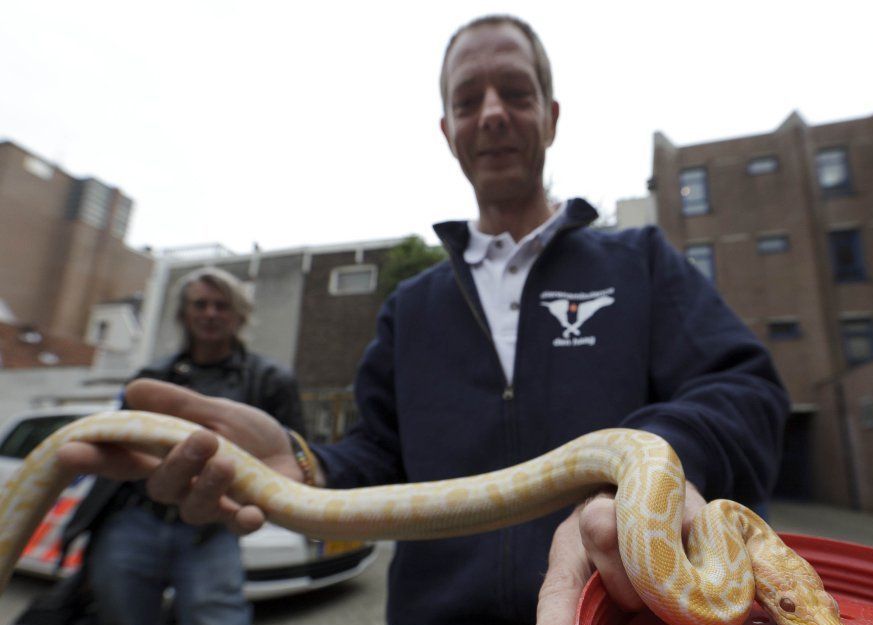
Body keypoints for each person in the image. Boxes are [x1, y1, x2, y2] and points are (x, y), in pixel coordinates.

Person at [58, 15, 789, 625]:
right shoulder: (413, 307)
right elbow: (378, 456)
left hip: (616, 609)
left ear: (552, 116)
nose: (493, 111)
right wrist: (299, 464)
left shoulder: (640, 263)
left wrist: (647, 475)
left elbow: (747, 392)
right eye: (469, 99)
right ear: (447, 129)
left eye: (516, 91)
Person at [61, 267, 305, 625]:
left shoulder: (270, 379)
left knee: (217, 616)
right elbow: (117, 445)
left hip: (213, 528)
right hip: (134, 518)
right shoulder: (151, 377)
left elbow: (296, 450)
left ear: (239, 314)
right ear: (183, 314)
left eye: (221, 305)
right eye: (200, 304)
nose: (210, 313)